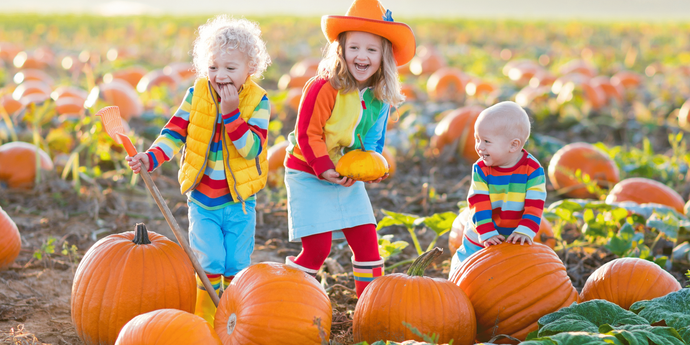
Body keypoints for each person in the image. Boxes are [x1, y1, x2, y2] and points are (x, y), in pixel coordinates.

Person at [125, 15, 271, 325]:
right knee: (209, 260)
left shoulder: (258, 102)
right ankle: (206, 320)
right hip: (203, 200)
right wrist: (150, 158)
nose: (220, 76)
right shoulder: (197, 94)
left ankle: (234, 319)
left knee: (236, 263)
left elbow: (252, 149)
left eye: (230, 69)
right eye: (213, 67)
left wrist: (232, 115)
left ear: (250, 70)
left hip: (240, 202)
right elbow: (174, 132)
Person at [282, 0, 415, 297]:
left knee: (367, 239)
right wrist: (324, 168)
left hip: (345, 172)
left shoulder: (380, 96)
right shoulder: (324, 87)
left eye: (371, 49)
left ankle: (370, 308)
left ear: (385, 56)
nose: (361, 56)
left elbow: (371, 143)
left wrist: (371, 169)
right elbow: (308, 133)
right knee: (318, 249)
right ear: (341, 49)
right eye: (354, 47)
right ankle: (288, 296)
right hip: (308, 170)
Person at [449, 101, 547, 277]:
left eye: (486, 141)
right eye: (477, 139)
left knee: (511, 276)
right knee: (466, 267)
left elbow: (535, 204)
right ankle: (455, 287)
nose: (479, 147)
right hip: (481, 233)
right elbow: (478, 202)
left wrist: (525, 230)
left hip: (514, 235)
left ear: (513, 145)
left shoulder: (533, 171)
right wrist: (486, 231)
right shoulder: (481, 168)